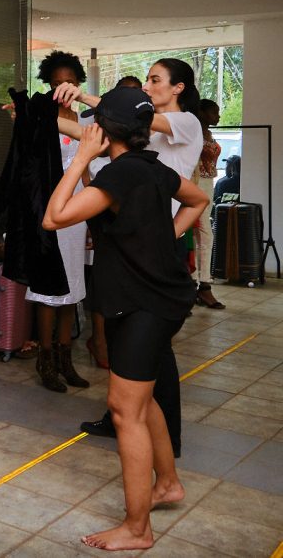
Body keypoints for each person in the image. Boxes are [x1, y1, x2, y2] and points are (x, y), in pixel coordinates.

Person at [43, 86, 207, 550]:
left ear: (102, 130)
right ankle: (167, 483)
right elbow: (198, 200)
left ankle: (138, 528)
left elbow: (54, 217)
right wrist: (164, 239)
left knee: (124, 410)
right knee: (144, 398)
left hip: (143, 305)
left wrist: (79, 157)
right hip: (155, 298)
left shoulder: (118, 175)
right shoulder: (150, 167)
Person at [55, 57, 203, 457]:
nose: (148, 87)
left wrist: (169, 234)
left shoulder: (185, 123)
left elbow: (125, 115)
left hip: (154, 248)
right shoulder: (143, 133)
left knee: (154, 350)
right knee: (131, 342)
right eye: (147, 81)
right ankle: (122, 414)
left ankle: (164, 437)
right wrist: (37, 118)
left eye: (155, 80)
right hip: (132, 243)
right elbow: (94, 133)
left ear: (178, 88)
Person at [27, 51, 90, 393]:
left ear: (78, 84)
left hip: (78, 208)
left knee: (73, 285)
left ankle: (67, 360)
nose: (63, 88)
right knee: (47, 288)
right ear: (48, 85)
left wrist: (92, 218)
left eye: (70, 82)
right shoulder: (40, 116)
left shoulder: (82, 119)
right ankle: (46, 360)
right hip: (49, 207)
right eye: (56, 83)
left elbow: (88, 169)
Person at [193, 99, 224, 309]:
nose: (218, 116)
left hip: (207, 184)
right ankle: (202, 283)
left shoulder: (208, 134)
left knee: (201, 233)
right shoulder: (194, 133)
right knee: (203, 233)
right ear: (202, 112)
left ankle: (198, 282)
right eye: (214, 112)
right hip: (196, 184)